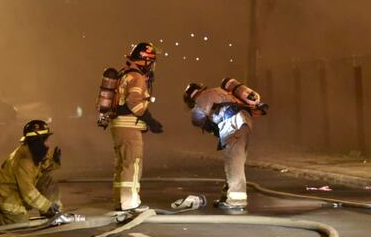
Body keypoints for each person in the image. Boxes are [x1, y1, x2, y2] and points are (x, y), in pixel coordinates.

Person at [183, 80, 267, 212]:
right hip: (244, 123)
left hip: (233, 125)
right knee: (234, 161)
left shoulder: (202, 97)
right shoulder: (220, 91)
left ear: (192, 96)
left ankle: (236, 201)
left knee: (233, 162)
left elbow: (196, 118)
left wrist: (207, 125)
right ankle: (226, 196)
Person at [109, 42, 163, 211]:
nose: (152, 65)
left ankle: (119, 200)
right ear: (144, 60)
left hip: (118, 126)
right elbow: (134, 102)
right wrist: (150, 120)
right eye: (150, 61)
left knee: (122, 165)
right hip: (129, 127)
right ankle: (130, 203)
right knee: (132, 163)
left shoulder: (124, 75)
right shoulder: (137, 77)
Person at [0, 120, 62, 227]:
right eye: (46, 140)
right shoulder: (23, 160)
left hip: (20, 189)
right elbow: (28, 192)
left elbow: (41, 170)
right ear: (38, 141)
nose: (49, 144)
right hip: (8, 196)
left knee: (48, 179)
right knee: (20, 225)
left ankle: (52, 213)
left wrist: (54, 162)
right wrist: (47, 205)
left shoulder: (36, 151)